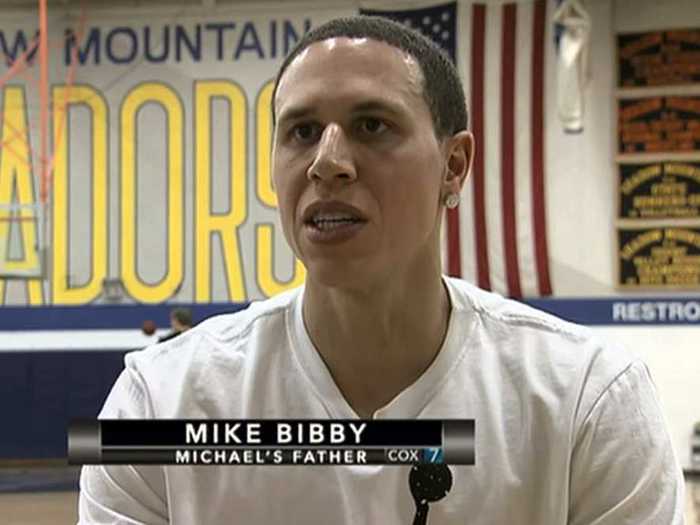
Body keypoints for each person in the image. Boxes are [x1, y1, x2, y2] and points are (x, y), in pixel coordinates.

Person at [78, 16, 685, 524]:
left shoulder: (590, 404)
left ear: (454, 166)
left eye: (372, 126)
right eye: (302, 131)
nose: (328, 162)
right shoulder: (157, 410)